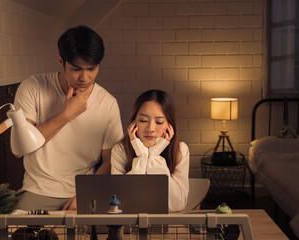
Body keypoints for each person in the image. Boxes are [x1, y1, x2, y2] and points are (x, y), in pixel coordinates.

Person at [13, 25, 123, 210]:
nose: (85, 77)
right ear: (60, 60)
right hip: (37, 190)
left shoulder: (108, 103)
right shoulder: (32, 87)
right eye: (76, 69)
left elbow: (110, 162)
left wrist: (86, 193)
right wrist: (66, 115)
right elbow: (19, 150)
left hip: (83, 192)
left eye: (92, 68)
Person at [111, 90, 189, 212]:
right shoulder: (120, 150)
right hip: (129, 224)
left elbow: (177, 203)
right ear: (133, 122)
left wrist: (153, 156)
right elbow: (120, 202)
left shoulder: (180, 150)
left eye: (159, 122)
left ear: (169, 125)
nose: (150, 129)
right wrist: (143, 156)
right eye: (143, 120)